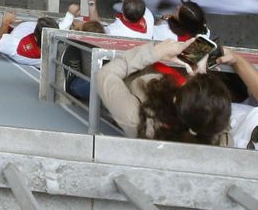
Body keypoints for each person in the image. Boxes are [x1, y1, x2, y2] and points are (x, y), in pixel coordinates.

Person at [93, 38, 233, 144]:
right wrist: (200, 84)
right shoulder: (220, 137)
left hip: (126, 81)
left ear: (176, 99)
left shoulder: (136, 118)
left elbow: (104, 75)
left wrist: (155, 52)